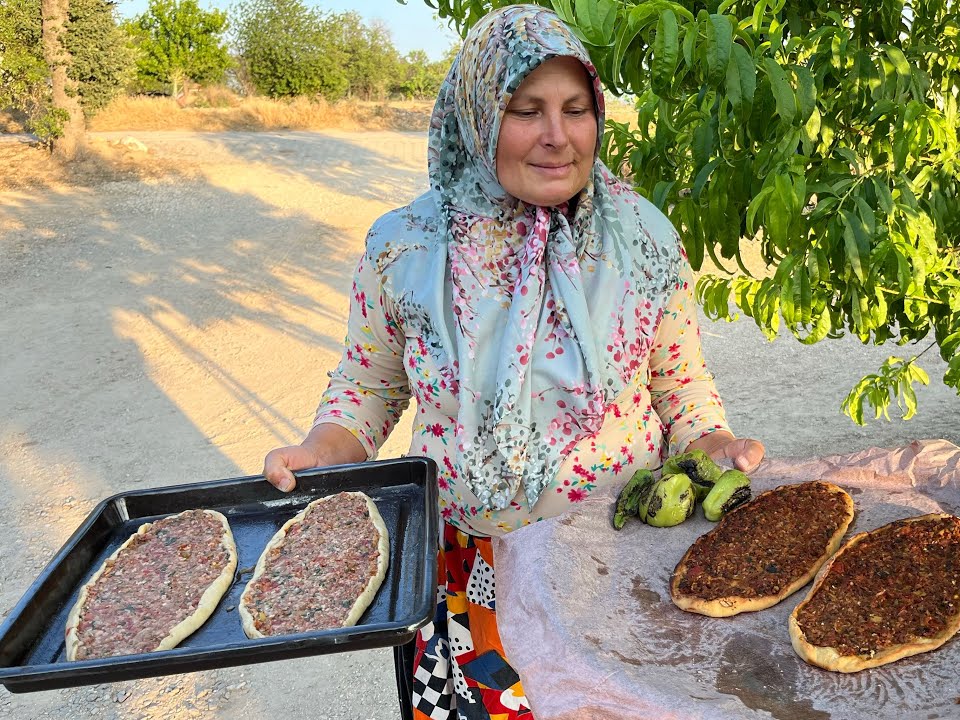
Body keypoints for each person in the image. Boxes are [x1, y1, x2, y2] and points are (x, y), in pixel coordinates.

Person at [262, 5, 764, 719]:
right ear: (476, 116)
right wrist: (323, 447)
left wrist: (710, 442)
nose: (557, 137)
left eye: (576, 109)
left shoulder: (644, 238)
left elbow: (680, 384)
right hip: (471, 572)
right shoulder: (406, 247)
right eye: (526, 111)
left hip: (617, 561)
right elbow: (368, 386)